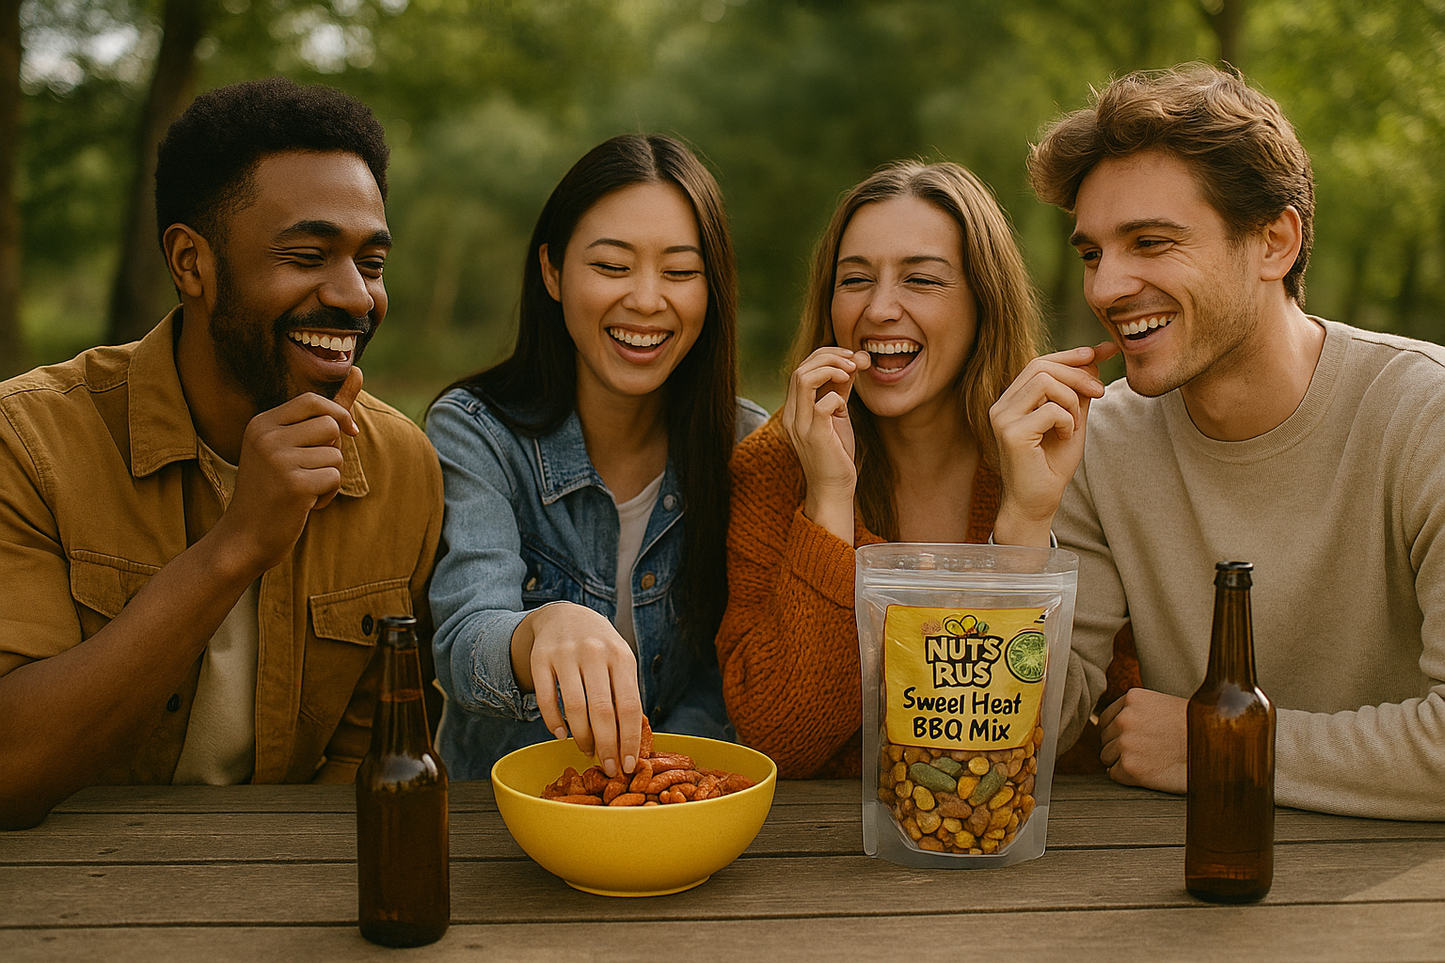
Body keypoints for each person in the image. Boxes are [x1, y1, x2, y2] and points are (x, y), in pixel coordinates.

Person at [0, 78, 443, 830]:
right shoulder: (30, 442)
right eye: (307, 255)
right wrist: (236, 546)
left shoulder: (401, 467)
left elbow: (369, 760)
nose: (356, 297)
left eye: (370, 263)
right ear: (190, 263)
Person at [1022, 63, 1445, 819]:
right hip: (1169, 889)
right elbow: (1031, 734)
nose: (1104, 288)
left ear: (1273, 242)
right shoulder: (1101, 439)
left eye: (1149, 242)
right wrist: (1023, 524)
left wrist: (1217, 741)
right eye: (1091, 253)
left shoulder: (1426, 415)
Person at [717, 160, 1114, 778]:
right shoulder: (775, 466)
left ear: (985, 300)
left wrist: (1023, 519)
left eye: (922, 280)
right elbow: (782, 737)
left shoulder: (1060, 452)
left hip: (1030, 846)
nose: (879, 309)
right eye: (854, 280)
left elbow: (1066, 723)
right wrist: (828, 501)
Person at [427, 134, 766, 781]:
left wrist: (655, 777)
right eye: (611, 266)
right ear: (552, 271)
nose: (644, 299)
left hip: (680, 816)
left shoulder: (746, 445)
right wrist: (544, 627)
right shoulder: (476, 432)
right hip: (501, 825)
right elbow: (463, 642)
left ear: (712, 287)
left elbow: (736, 675)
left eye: (679, 271)